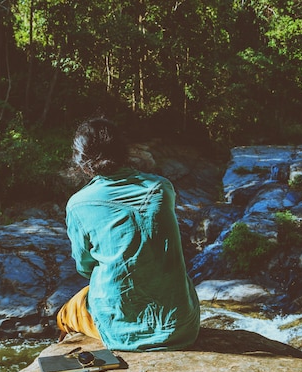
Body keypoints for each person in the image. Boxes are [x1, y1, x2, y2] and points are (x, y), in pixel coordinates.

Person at [56, 117, 200, 351]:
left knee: (67, 313)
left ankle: (66, 353)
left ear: (83, 163)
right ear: (124, 151)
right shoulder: (160, 188)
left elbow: (84, 267)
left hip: (121, 332)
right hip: (180, 326)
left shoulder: (77, 205)